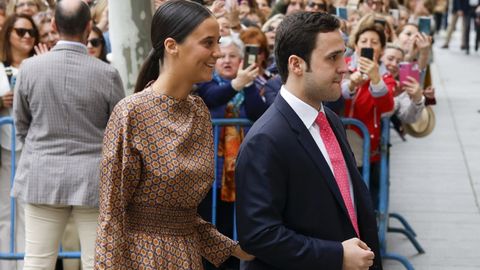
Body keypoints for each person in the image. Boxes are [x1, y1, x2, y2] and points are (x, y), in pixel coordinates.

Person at [94, 1, 253, 269]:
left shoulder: (199, 111)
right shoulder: (131, 113)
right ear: (171, 45)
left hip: (187, 255)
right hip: (141, 258)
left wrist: (239, 250)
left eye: (219, 42)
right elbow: (111, 215)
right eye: (208, 43)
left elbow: (183, 216)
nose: (217, 52)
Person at [236, 11, 382, 270]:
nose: (344, 66)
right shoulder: (266, 139)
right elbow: (259, 236)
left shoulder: (330, 120)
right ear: (296, 64)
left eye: (343, 54)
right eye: (332, 58)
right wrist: (335, 255)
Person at [12, 0, 125, 269]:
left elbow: (21, 124)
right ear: (88, 27)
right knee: (97, 262)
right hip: (93, 178)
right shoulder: (107, 74)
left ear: (53, 25)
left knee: (37, 262)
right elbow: (118, 132)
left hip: (42, 172)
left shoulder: (29, 68)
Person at [0, 13, 38, 270]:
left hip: (35, 148)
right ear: (8, 35)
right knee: (6, 212)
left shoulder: (41, 65)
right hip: (5, 149)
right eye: (20, 31)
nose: (26, 36)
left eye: (31, 32)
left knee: (31, 213)